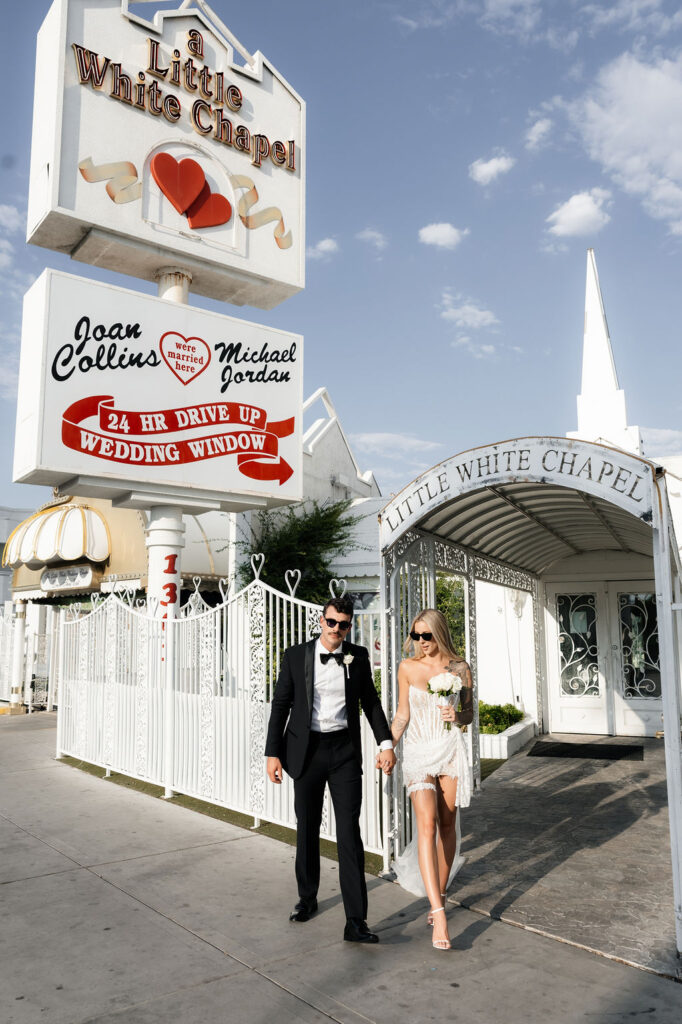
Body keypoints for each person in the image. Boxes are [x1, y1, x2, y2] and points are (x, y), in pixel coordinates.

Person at [265, 595, 396, 943]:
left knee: (349, 832)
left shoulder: (358, 656)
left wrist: (386, 743)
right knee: (306, 826)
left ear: (350, 625)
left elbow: (369, 701)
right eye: (331, 622)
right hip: (306, 751)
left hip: (343, 752)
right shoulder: (296, 656)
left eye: (344, 624)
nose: (337, 629)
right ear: (321, 622)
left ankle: (356, 921)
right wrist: (272, 753)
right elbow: (281, 705)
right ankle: (306, 899)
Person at [382, 608, 473, 951]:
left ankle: (442, 892)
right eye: (416, 636)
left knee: (448, 825)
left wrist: (457, 714)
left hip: (449, 749)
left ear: (439, 634)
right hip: (419, 752)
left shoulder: (459, 667)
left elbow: (468, 713)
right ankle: (438, 912)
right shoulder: (407, 667)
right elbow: (403, 714)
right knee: (427, 825)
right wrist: (387, 746)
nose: (421, 643)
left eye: (427, 636)